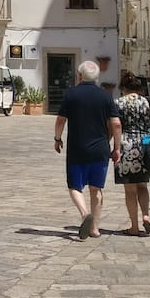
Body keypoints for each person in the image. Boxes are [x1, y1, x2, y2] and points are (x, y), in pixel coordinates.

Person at [53, 60, 121, 239]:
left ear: (79, 75)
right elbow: (116, 124)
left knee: (75, 186)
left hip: (78, 148)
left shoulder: (71, 94)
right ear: (97, 77)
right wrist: (117, 148)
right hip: (100, 149)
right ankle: (95, 228)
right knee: (96, 189)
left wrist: (57, 138)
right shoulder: (105, 96)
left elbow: (60, 120)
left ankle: (85, 215)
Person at [114, 74, 150, 235]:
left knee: (130, 190)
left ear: (123, 88)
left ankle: (134, 226)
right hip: (145, 147)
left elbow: (115, 126)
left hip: (126, 147)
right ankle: (146, 216)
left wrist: (114, 147)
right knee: (143, 186)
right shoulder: (148, 102)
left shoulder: (118, 103)